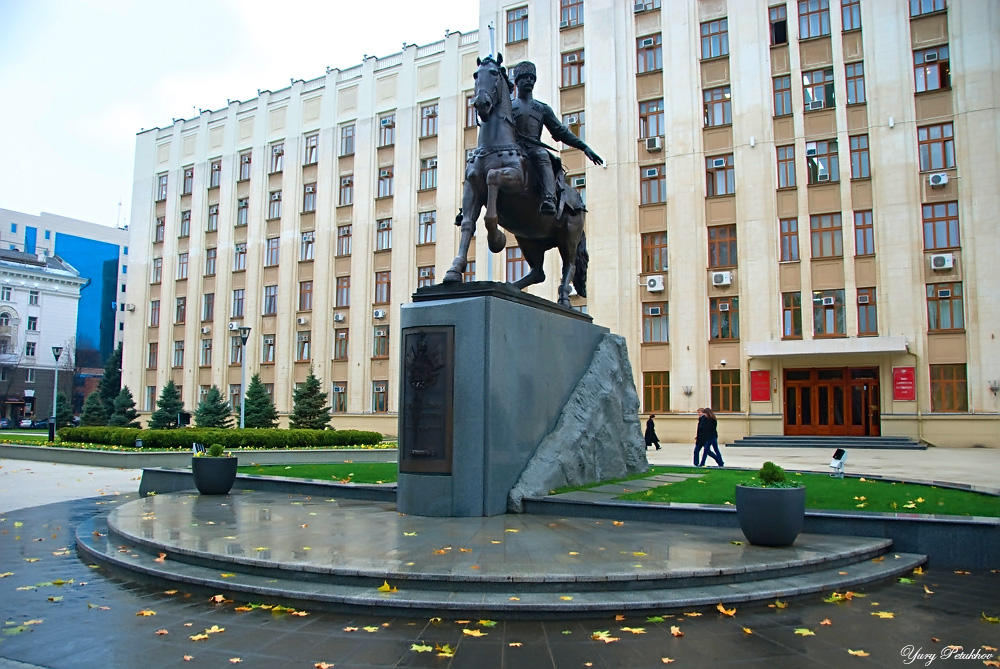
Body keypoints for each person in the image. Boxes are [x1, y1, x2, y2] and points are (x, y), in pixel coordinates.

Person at [510, 61, 604, 215]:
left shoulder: (541, 108)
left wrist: (584, 147)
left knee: (542, 155)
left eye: (532, 78)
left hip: (533, 149)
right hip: (513, 149)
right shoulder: (508, 107)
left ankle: (549, 198)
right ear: (517, 81)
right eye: (525, 77)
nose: (529, 80)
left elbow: (561, 131)